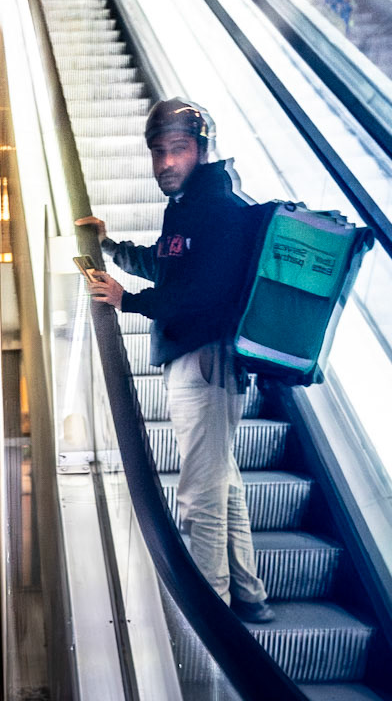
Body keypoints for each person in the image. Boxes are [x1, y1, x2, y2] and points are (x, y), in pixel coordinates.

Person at [79, 99, 274, 622]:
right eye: (158, 151)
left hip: (205, 360)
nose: (166, 162)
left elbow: (198, 295)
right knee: (222, 481)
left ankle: (213, 615)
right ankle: (249, 594)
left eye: (178, 149)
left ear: (203, 150)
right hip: (206, 360)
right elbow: (170, 267)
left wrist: (129, 301)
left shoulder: (216, 209)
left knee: (199, 495)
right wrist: (112, 248)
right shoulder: (189, 208)